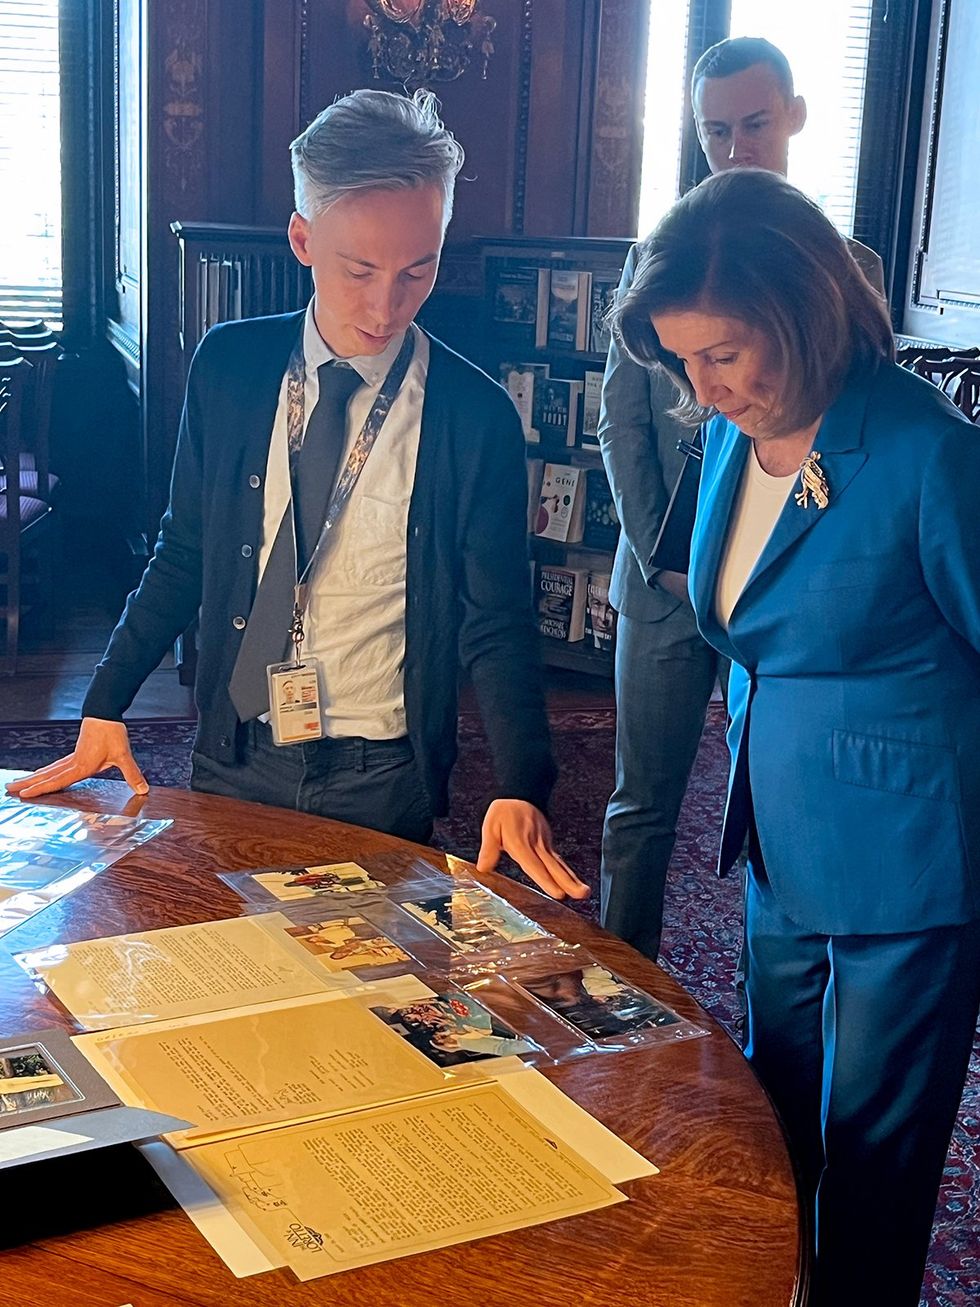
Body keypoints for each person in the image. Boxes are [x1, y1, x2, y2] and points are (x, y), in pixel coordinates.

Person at [7, 89, 588, 905]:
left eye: (417, 269)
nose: (387, 306)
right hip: (234, 752)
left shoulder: (476, 414)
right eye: (359, 270)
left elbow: (496, 621)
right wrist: (107, 701)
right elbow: (184, 551)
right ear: (303, 239)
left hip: (383, 773)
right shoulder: (230, 367)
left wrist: (524, 779)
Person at [610, 166, 980, 1307]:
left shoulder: (925, 451)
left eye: (719, 353)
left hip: (906, 875)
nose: (700, 385)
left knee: (871, 1163)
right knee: (769, 1122)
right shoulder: (733, 433)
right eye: (681, 359)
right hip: (774, 843)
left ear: (799, 311)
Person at [599, 36, 883, 962]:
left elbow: (860, 454)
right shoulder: (659, 259)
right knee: (641, 799)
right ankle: (621, 982)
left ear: (796, 115)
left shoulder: (849, 267)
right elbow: (620, 429)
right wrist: (661, 559)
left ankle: (795, 954)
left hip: (787, 589)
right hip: (663, 582)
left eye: (754, 124)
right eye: (715, 131)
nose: (735, 148)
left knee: (777, 786)